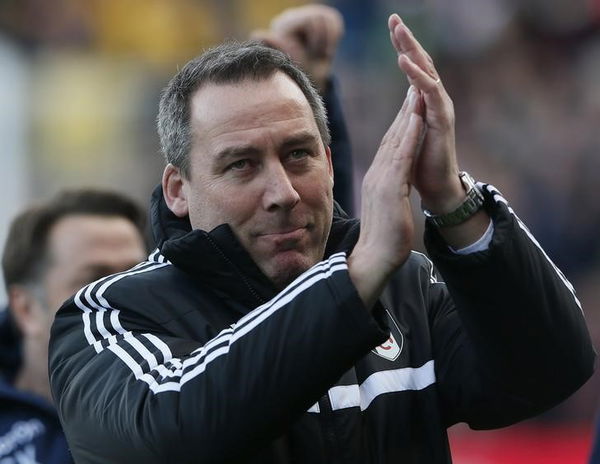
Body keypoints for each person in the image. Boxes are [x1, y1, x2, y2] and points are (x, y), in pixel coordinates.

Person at [48, 11, 594, 464]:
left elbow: (552, 368)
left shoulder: (405, 287)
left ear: (331, 163)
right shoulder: (110, 315)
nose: (282, 191)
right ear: (178, 190)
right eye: (241, 164)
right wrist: (354, 278)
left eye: (298, 154)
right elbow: (168, 437)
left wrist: (452, 200)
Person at [0, 189, 147, 463]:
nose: (128, 297)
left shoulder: (198, 396)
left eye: (137, 274)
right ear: (27, 309)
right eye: (94, 282)